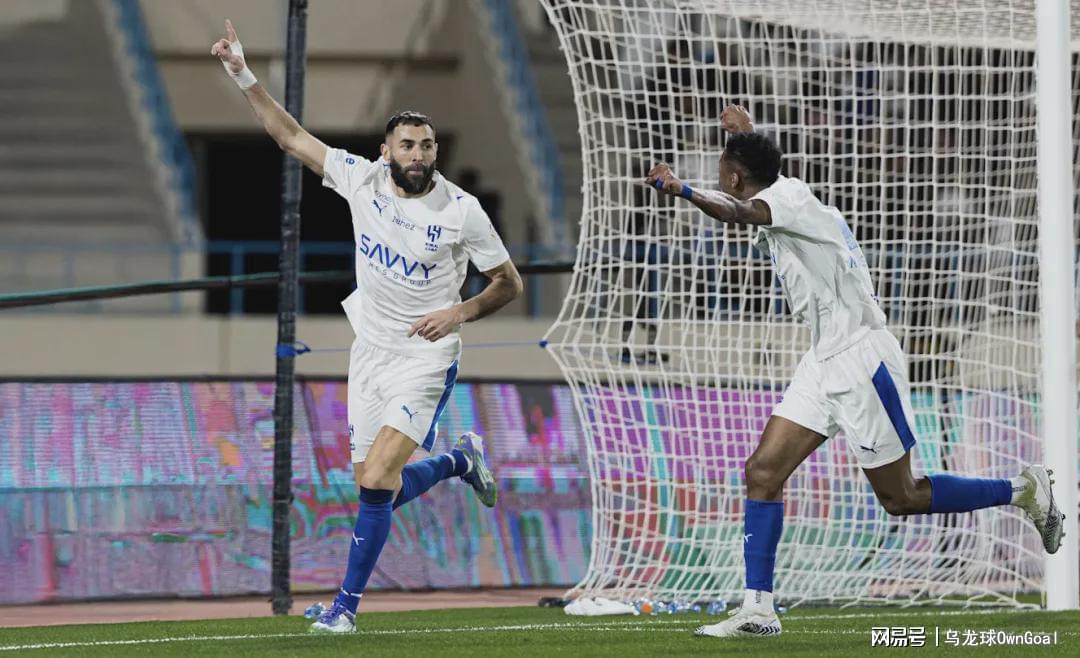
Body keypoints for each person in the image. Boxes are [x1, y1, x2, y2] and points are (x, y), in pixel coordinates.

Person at [644, 105, 1064, 639]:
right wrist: (746, 135)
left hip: (862, 361)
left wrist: (682, 190)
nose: (719, 173)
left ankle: (1023, 490)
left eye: (723, 167)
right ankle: (758, 609)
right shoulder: (782, 188)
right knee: (763, 473)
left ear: (732, 178)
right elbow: (750, 184)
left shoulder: (780, 203)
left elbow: (737, 211)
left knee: (901, 498)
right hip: (823, 359)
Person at [212, 20, 524, 633]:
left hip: (426, 358)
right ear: (386, 151)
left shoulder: (462, 211)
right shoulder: (362, 178)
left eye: (427, 145)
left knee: (378, 479)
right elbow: (290, 136)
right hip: (371, 351)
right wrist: (242, 74)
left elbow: (508, 283)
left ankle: (345, 610)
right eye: (407, 145)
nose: (418, 155)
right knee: (372, 486)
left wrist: (457, 312)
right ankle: (460, 462)